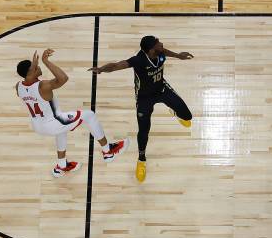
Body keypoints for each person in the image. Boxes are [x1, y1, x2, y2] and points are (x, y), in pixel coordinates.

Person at [89, 36, 193, 183]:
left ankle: (175, 111)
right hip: (144, 98)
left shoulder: (160, 52)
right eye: (158, 44)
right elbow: (116, 65)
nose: (161, 44)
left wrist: (179, 56)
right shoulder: (139, 60)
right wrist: (101, 69)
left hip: (162, 89)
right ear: (151, 50)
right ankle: (141, 159)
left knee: (188, 117)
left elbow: (165, 51)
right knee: (144, 131)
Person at [16, 49, 128, 178]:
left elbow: (29, 84)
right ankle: (108, 151)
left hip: (38, 125)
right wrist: (46, 61)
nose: (38, 66)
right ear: (31, 72)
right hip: (53, 122)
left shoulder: (18, 87)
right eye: (35, 66)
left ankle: (61, 166)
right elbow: (63, 78)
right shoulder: (43, 86)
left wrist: (33, 68)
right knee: (89, 115)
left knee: (61, 130)